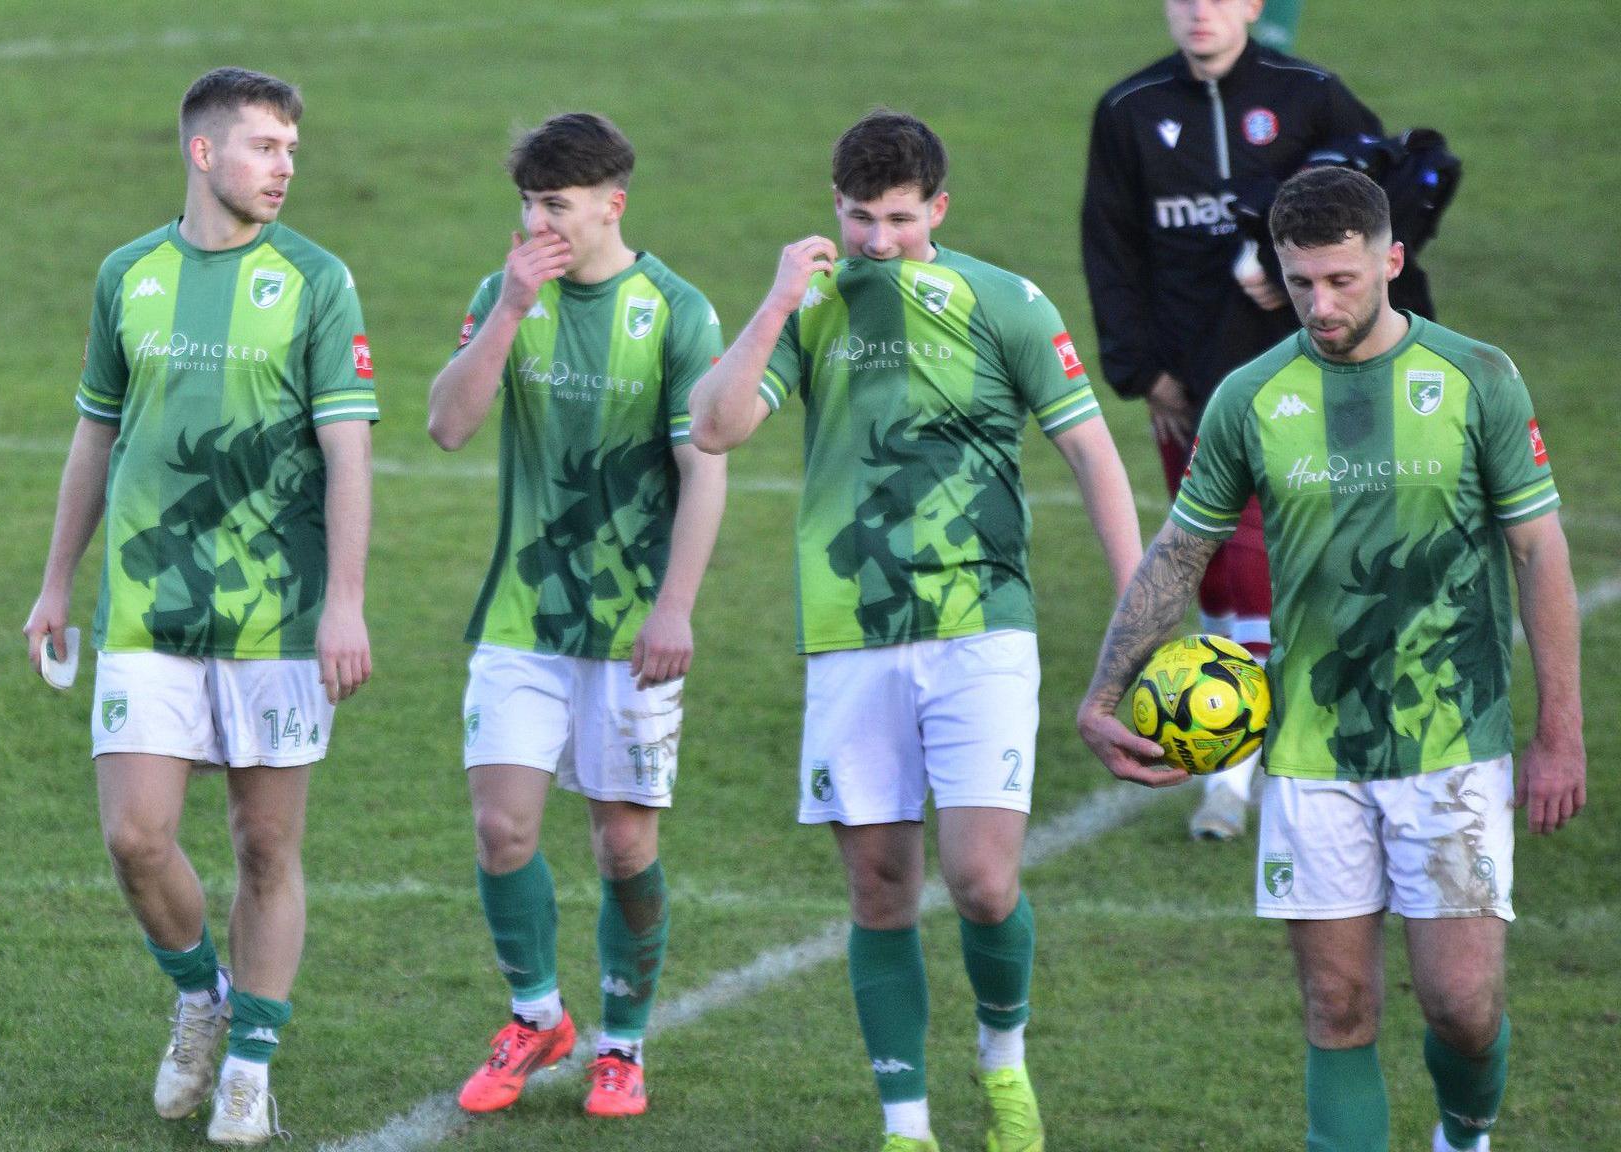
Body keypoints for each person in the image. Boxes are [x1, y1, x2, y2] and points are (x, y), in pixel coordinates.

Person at [1077, 165, 1585, 1152]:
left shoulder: (1476, 377)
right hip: (1309, 751)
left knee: (1461, 1006)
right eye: (1299, 281)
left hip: (1451, 741)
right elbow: (1178, 554)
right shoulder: (1250, 398)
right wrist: (1104, 690)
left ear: (1389, 262)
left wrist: (1556, 734)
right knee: (1336, 1007)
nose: (1319, 303)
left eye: (1341, 280)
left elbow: (1537, 550)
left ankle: (1463, 1133)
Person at [690, 110, 1143, 1152]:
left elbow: (1091, 457)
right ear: (833, 208)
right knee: (879, 885)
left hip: (982, 625)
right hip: (850, 629)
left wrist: (1137, 617)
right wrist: (772, 300)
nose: (878, 239)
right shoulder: (810, 311)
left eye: (898, 217)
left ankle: (1002, 1062)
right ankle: (905, 1126)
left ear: (936, 208)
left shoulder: (1004, 304)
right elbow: (714, 427)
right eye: (859, 218)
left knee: (982, 881)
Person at [21, 67, 376, 1145]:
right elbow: (95, 435)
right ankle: (200, 996)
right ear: (202, 152)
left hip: (276, 612)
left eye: (291, 151)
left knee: (265, 847)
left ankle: (249, 1069)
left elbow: (346, 449)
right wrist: (53, 581)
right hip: (145, 602)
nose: (284, 167)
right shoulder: (126, 275)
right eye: (265, 147)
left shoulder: (318, 280)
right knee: (136, 838)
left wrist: (346, 603)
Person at [425, 111, 727, 1119]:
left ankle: (624, 1043)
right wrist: (509, 309)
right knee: (502, 826)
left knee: (621, 847)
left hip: (631, 626)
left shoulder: (677, 310)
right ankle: (535, 1013)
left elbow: (703, 472)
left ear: (612, 203)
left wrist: (673, 608)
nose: (537, 223)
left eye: (555, 205)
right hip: (521, 612)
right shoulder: (509, 292)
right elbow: (447, 424)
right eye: (527, 204)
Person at [1081, 0, 1429, 840]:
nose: (1201, 11)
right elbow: (1111, 246)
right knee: (1229, 578)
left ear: (1252, 5)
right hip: (1194, 393)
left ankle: (1330, 749)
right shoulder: (1129, 111)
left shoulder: (1312, 96)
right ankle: (1233, 776)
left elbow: (1388, 206)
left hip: (1317, 386)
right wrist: (1143, 371)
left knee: (1332, 566)